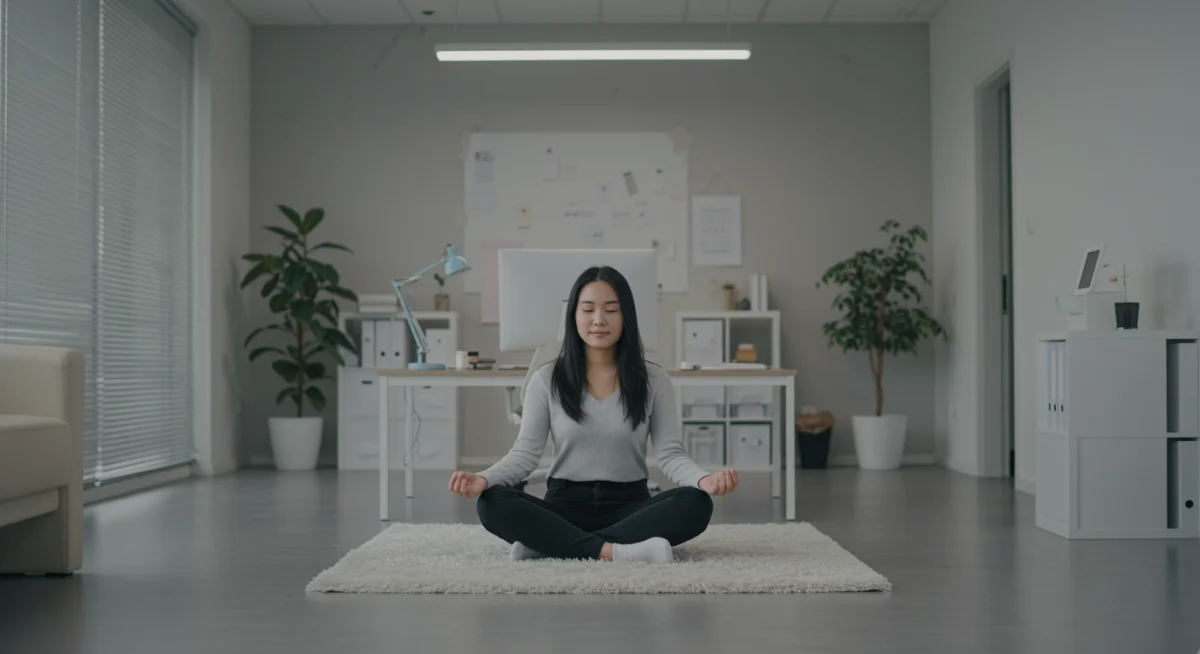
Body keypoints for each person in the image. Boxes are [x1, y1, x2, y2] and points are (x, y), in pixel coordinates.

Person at [447, 265, 739, 563]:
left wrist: (703, 479)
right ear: (573, 316)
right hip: (564, 504)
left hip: (630, 505)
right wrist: (483, 479)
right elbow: (524, 455)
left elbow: (670, 455)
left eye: (611, 310)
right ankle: (614, 551)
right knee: (493, 501)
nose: (599, 320)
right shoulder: (546, 379)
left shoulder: (654, 380)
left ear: (626, 316)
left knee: (695, 502)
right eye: (588, 309)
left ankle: (553, 544)